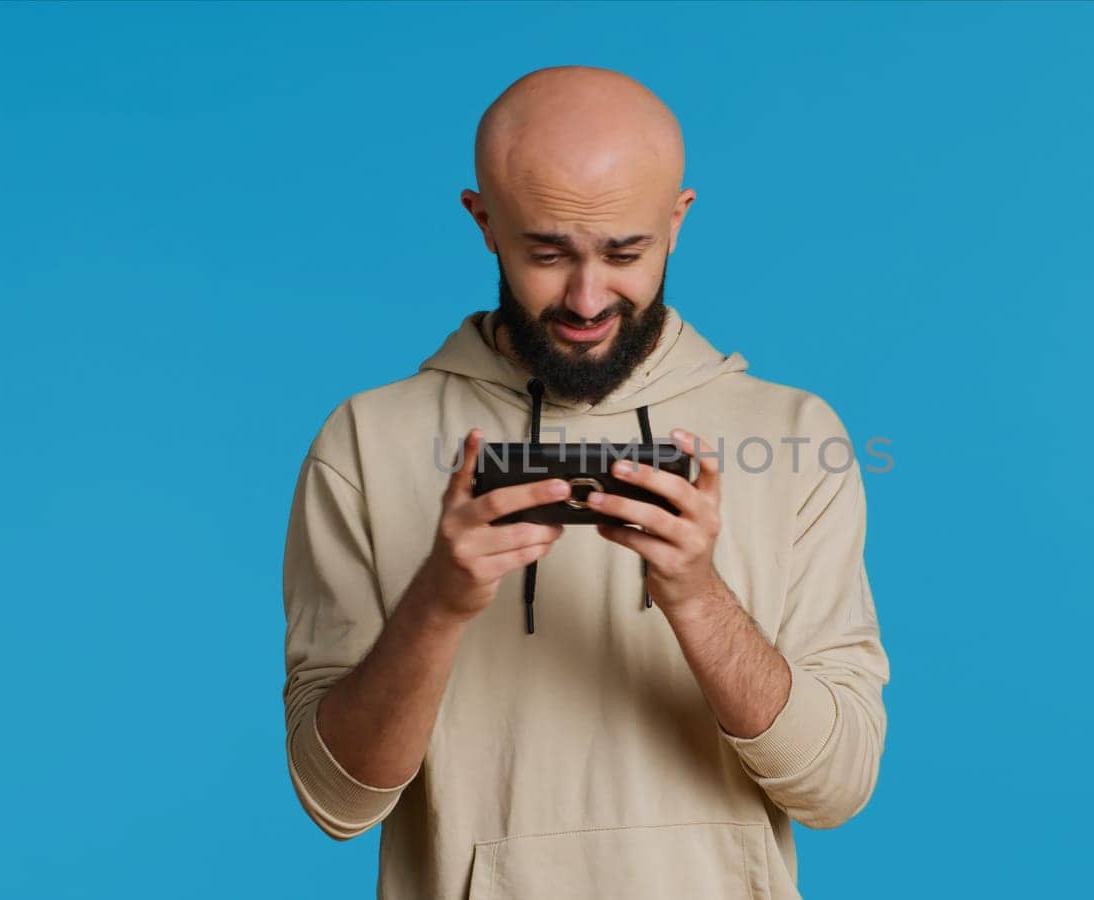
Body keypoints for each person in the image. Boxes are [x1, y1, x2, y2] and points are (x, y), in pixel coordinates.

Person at [281, 65, 889, 899]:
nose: (587, 297)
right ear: (484, 222)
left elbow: (836, 787)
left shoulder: (795, 436)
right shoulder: (364, 441)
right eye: (547, 252)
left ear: (677, 222)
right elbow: (337, 801)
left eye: (624, 251)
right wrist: (441, 600)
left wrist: (696, 594)